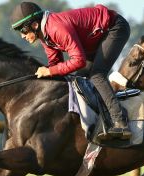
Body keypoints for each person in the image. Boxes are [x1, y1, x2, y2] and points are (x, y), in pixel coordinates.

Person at [10, 2, 131, 140]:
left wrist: (49, 71)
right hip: (95, 38)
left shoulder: (55, 27)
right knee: (79, 80)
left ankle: (121, 122)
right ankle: (101, 120)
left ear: (35, 25)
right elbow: (56, 64)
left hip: (114, 27)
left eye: (23, 30)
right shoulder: (45, 35)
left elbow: (79, 61)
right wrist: (45, 75)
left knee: (96, 75)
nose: (22, 36)